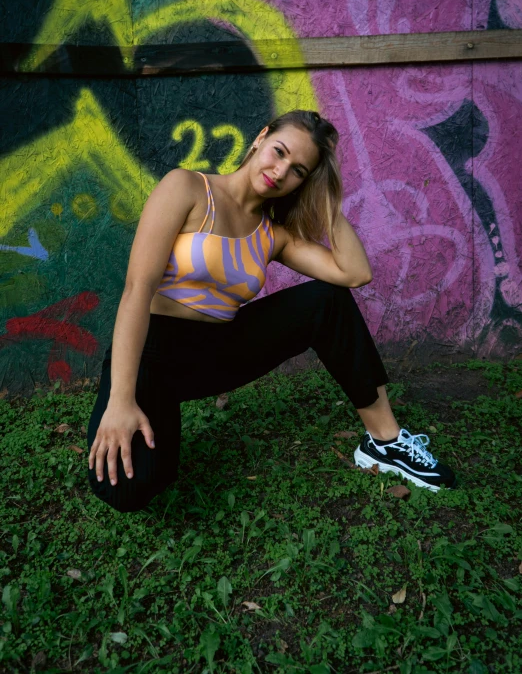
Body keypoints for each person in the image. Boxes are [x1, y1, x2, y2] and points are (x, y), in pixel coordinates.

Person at [87, 109, 455, 512]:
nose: (280, 172)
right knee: (128, 489)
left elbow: (354, 273)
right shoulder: (188, 188)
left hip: (218, 350)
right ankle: (150, 409)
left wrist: (326, 200)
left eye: (298, 170)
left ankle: (384, 441)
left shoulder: (272, 235)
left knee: (326, 301)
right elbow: (137, 290)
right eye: (279, 152)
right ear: (260, 137)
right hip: (153, 350)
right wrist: (120, 399)